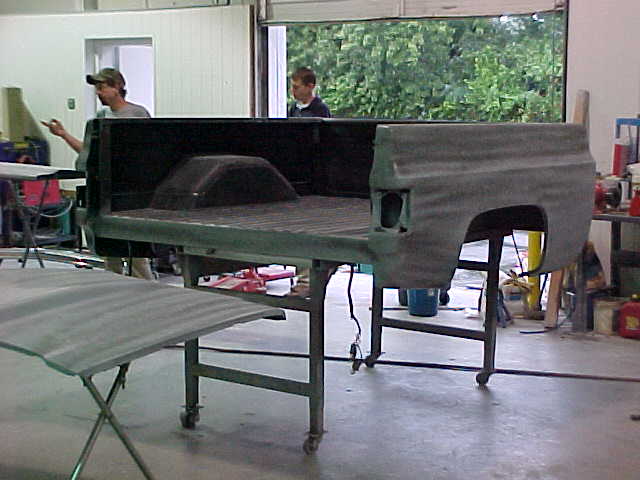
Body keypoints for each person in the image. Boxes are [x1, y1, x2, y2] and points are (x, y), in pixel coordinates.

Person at [41, 67, 153, 280]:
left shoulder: (137, 114)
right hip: (105, 193)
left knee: (136, 256)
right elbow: (88, 153)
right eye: (97, 89)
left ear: (117, 86)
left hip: (129, 194)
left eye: (102, 87)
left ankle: (149, 291)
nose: (98, 93)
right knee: (110, 252)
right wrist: (63, 134)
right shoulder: (100, 118)